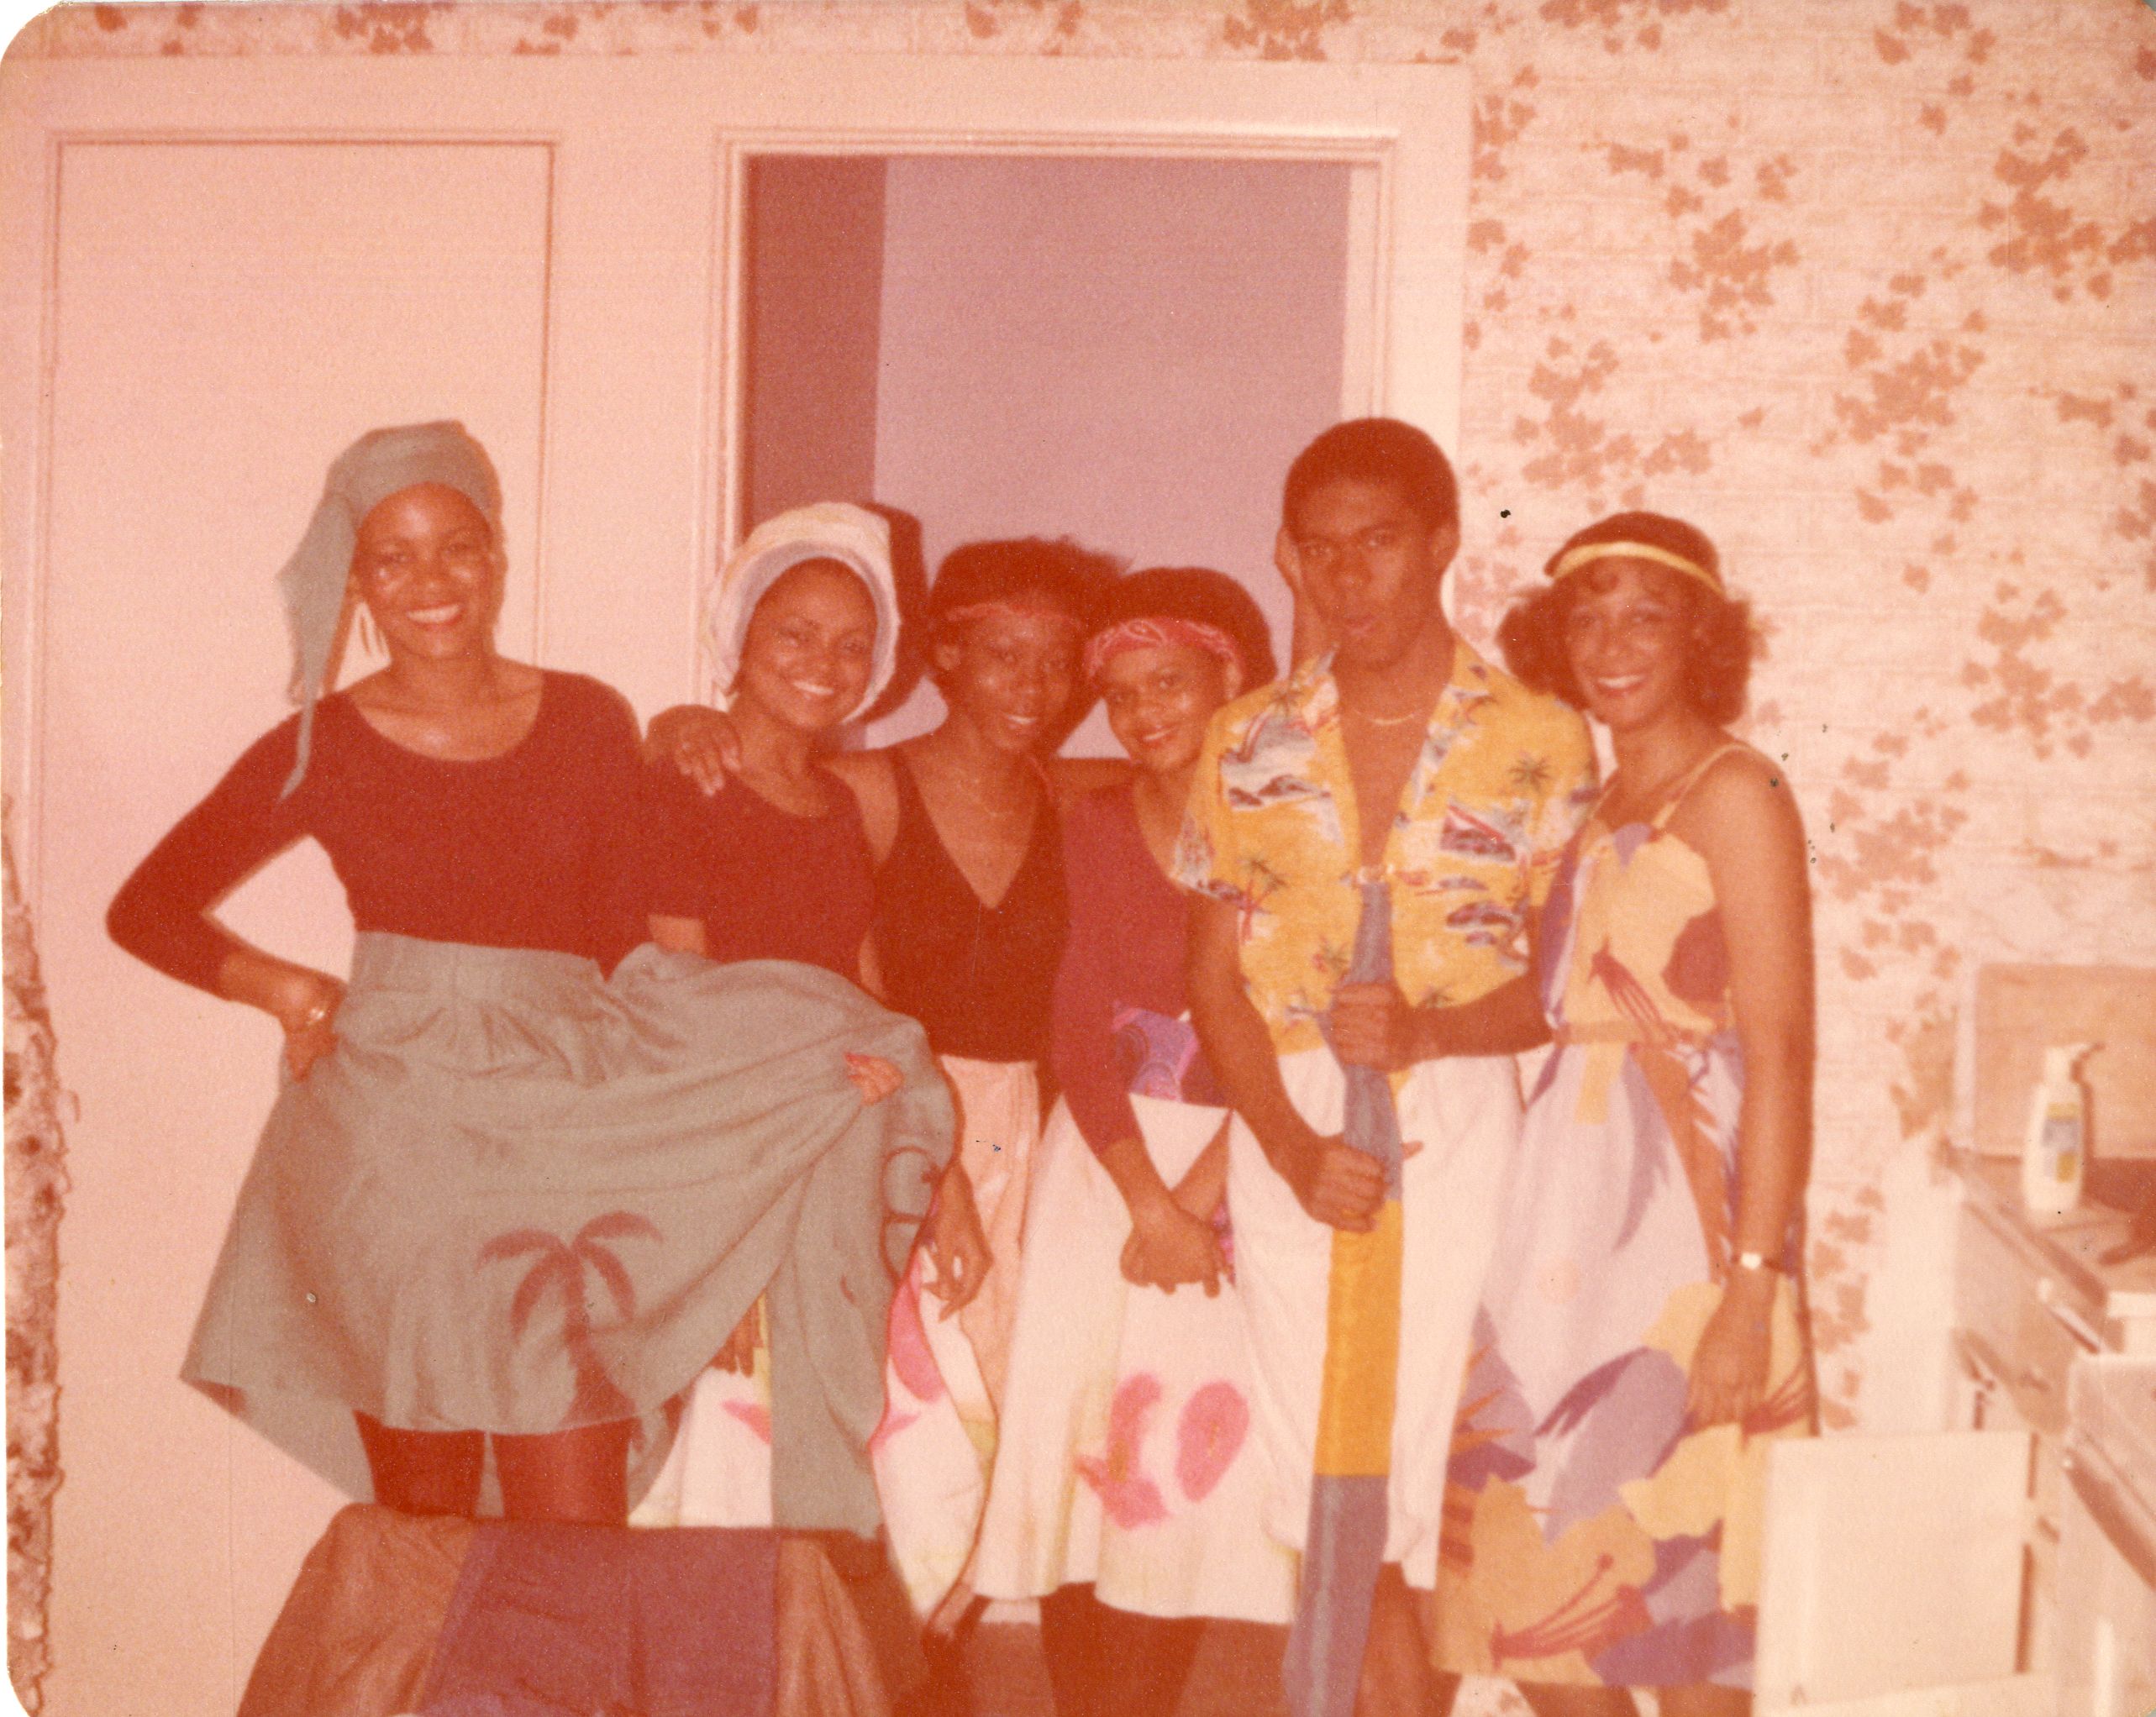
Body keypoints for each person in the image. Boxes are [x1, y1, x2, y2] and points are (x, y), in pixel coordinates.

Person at [108, 424, 954, 1538]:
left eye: (456, 547)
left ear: (496, 558)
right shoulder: (324, 742)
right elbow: (145, 909)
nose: (430, 582)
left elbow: (645, 938)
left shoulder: (590, 717)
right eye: (394, 557)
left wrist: (786, 1063)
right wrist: (288, 991)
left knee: (573, 1523)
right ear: (357, 582)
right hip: (393, 1144)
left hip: (567, 1111)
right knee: (426, 1524)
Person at [1178, 418, 1596, 1717]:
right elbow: (1211, 983)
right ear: (1288, 562)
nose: (1349, 577)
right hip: (1295, 1124)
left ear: (1440, 544)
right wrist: (1291, 1151)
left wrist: (1427, 1035)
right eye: (1320, 551)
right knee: (1325, 1496)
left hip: (1462, 1119)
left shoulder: (1539, 738)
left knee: (1430, 1492)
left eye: (1378, 544)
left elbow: (1560, 991)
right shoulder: (1246, 740)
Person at [651, 536, 1121, 1633]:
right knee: (877, 1427)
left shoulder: (1074, 798)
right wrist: (677, 725)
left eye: (1055, 661)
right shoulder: (859, 787)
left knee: (989, 1429)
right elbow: (787, 947)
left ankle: (913, 1672)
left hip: (1024, 1138)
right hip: (877, 1118)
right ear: (943, 656)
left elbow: (1199, 749)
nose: (1030, 687)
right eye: (1000, 654)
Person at [1429, 512, 1815, 1714]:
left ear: (1697, 635)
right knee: (1538, 1589)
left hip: (1679, 1220)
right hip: (1556, 1212)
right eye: (1586, 614)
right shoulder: (1590, 805)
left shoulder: (1736, 789)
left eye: (1644, 613)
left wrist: (1749, 1286)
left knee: (1680, 1597)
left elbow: (1785, 1051)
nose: (1610, 641)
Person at [968, 568, 1295, 1717]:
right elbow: (1075, 1019)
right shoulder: (1097, 819)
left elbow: (1286, 1031)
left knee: (1170, 1480)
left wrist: (1197, 1198)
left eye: (1169, 682)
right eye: (1119, 692)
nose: (1142, 710)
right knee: (1072, 1465)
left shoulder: (1293, 816)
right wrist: (1140, 1196)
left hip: (1238, 1160)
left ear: (1232, 679)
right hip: (1102, 1171)